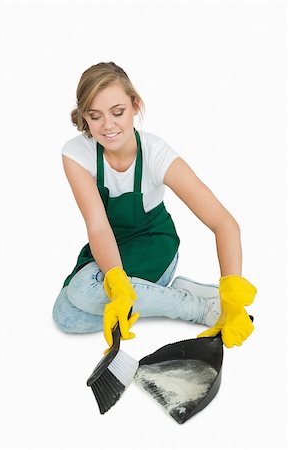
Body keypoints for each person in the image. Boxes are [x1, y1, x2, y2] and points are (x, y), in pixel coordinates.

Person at [52, 61, 257, 354]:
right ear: (84, 116)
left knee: (83, 293)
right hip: (109, 244)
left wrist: (234, 294)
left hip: (154, 245)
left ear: (135, 105)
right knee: (66, 316)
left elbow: (224, 223)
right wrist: (116, 283)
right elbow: (98, 227)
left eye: (118, 112)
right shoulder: (76, 153)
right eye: (95, 116)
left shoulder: (156, 154)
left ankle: (201, 309)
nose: (108, 126)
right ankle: (173, 293)